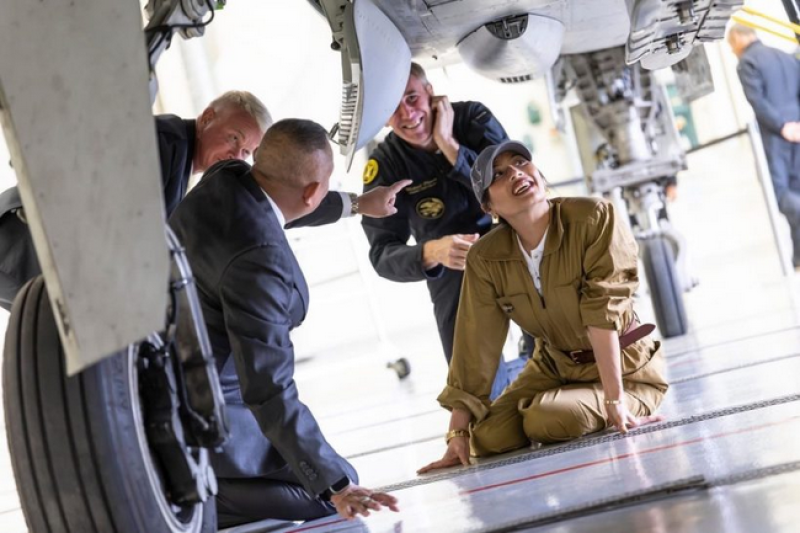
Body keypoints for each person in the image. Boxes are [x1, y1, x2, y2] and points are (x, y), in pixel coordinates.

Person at [169, 118, 399, 528]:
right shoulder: (260, 264)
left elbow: (278, 204)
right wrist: (336, 486)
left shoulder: (226, 178)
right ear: (312, 191)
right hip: (209, 403)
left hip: (166, 372)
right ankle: (198, 494)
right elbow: (268, 387)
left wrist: (358, 204)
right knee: (328, 489)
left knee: (325, 474)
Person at [0, 91, 405, 310]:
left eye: (247, 152)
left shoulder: (184, 166)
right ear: (208, 116)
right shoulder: (164, 143)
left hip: (40, 265)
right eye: (233, 138)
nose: (236, 156)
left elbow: (265, 206)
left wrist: (356, 205)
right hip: (23, 241)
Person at [419, 141, 669, 473]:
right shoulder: (486, 258)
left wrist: (614, 400)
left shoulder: (595, 217)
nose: (516, 173)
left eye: (520, 162)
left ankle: (592, 402)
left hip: (626, 371)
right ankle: (556, 402)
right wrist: (457, 433)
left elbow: (602, 313)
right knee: (488, 438)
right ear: (489, 207)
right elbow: (475, 342)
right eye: (499, 174)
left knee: (549, 419)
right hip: (555, 366)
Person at [361, 62, 528, 396]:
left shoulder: (474, 119)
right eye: (392, 106)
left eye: (412, 97)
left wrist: (450, 146)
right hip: (453, 266)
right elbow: (382, 254)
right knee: (475, 390)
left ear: (430, 92)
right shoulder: (385, 164)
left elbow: (517, 189)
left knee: (556, 354)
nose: (407, 113)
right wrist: (430, 252)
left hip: (513, 245)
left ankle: (533, 363)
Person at [728, 24, 800, 268]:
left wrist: (782, 126)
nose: (732, 51)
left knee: (780, 194)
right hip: (797, 130)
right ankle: (798, 257)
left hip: (776, 136)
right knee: (796, 189)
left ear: (739, 39)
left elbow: (757, 101)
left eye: (731, 45)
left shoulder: (747, 63)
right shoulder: (785, 56)